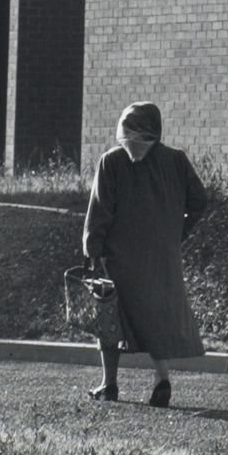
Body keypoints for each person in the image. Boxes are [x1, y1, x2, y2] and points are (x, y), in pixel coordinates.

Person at [82, 101, 208, 406]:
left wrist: (92, 250)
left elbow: (99, 211)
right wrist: (178, 232)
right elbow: (200, 201)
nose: (133, 145)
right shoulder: (176, 160)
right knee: (158, 317)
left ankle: (108, 384)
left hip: (119, 257)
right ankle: (161, 379)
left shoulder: (111, 162)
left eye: (134, 137)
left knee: (108, 318)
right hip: (162, 256)